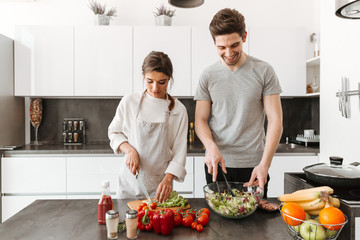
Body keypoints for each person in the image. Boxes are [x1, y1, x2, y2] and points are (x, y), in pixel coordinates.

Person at [194, 8, 283, 198]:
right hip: (217, 165)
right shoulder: (208, 76)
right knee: (219, 224)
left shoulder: (264, 71)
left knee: (256, 224)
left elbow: (275, 120)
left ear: (244, 36)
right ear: (214, 44)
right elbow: (200, 120)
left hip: (254, 166)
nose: (228, 53)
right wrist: (210, 147)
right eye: (221, 47)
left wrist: (265, 165)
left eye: (234, 45)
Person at [108, 51, 188, 202]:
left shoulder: (178, 110)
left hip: (160, 188)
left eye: (162, 82)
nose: (155, 88)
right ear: (143, 76)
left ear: (169, 79)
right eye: (149, 81)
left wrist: (168, 179)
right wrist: (129, 150)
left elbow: (179, 151)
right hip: (129, 184)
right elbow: (114, 132)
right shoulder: (129, 102)